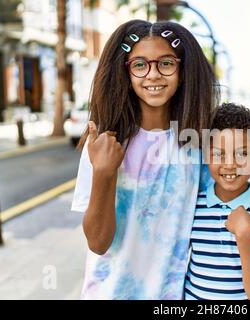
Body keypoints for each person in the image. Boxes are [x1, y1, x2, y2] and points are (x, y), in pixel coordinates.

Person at [71, 19, 218, 299]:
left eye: (166, 63)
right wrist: (104, 172)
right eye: (139, 65)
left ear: (183, 70)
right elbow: (98, 243)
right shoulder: (105, 142)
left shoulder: (197, 142)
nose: (153, 75)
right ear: (126, 74)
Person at [184, 103, 250, 300]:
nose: (230, 164)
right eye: (218, 154)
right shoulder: (191, 205)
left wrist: (245, 235)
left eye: (242, 153)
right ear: (206, 154)